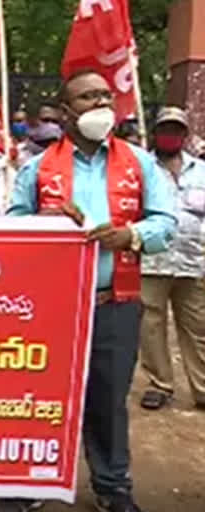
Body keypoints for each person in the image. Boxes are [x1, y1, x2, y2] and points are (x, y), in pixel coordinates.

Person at [6, 69, 176, 512]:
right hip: (50, 305)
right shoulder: (37, 167)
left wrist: (132, 235)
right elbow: (9, 225)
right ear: (65, 113)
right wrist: (39, 224)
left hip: (113, 302)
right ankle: (29, 486)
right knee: (39, 397)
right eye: (87, 98)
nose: (101, 104)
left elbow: (165, 222)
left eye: (105, 96)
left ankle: (111, 487)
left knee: (107, 400)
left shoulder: (139, 162)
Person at [138, 107, 205, 411]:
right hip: (153, 259)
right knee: (151, 325)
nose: (170, 135)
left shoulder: (201, 171)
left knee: (197, 326)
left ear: (185, 135)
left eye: (176, 130)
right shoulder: (141, 169)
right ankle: (160, 384)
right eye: (165, 129)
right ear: (155, 133)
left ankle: (202, 388)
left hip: (194, 260)